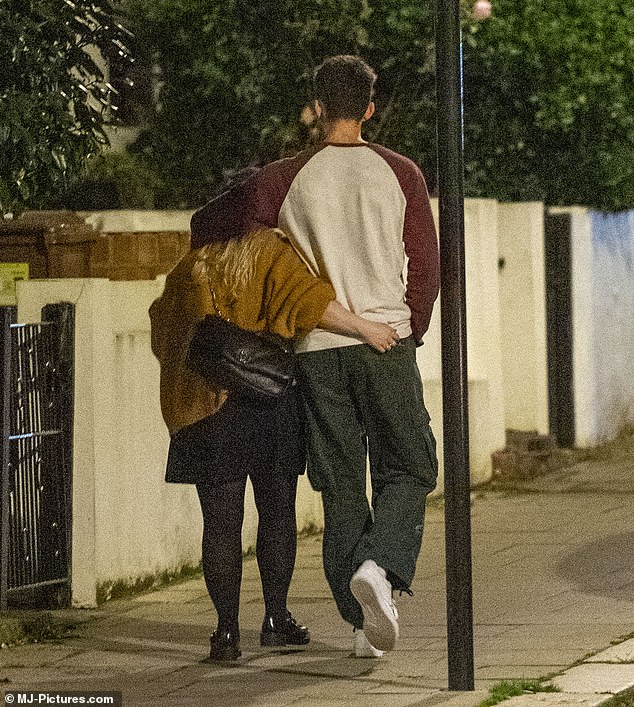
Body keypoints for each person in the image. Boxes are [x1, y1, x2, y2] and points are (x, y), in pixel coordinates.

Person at [190, 55, 440, 658]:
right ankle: (380, 567)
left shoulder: (285, 177)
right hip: (384, 339)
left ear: (317, 107)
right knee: (411, 465)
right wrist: (414, 327)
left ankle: (360, 627)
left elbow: (210, 224)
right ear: (371, 108)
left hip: (315, 350)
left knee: (339, 482)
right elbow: (428, 267)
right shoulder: (401, 172)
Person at [150, 214, 399, 662]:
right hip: (269, 401)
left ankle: (226, 634)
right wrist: (365, 328)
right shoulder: (270, 251)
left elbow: (163, 332)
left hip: (208, 406)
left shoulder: (190, 265)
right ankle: (275, 619)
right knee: (277, 513)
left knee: (220, 524)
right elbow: (309, 305)